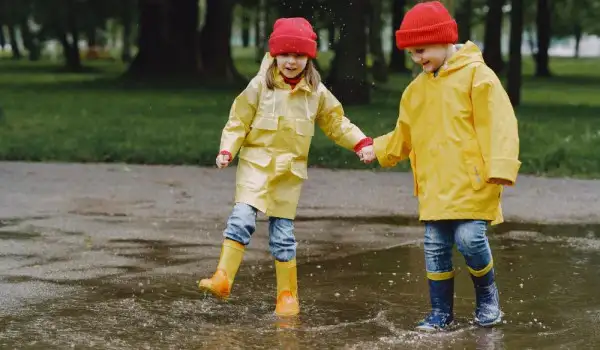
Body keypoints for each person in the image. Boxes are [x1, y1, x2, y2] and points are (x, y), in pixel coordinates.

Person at [198, 17, 375, 317]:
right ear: (274, 54)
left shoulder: (316, 93)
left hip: (288, 174)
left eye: (299, 55)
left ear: (309, 58)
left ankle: (287, 296)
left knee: (282, 236)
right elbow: (238, 120)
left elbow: (336, 123)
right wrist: (228, 149)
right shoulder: (260, 86)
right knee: (241, 219)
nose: (291, 61)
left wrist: (360, 142)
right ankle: (223, 277)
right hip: (256, 165)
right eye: (285, 54)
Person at [364, 1, 521, 331]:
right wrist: (377, 149)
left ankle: (487, 296)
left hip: (474, 181)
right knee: (435, 247)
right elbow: (404, 134)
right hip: (435, 186)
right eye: (411, 53)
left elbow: (499, 123)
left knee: (470, 239)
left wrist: (501, 165)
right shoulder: (415, 91)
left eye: (422, 49)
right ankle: (440, 312)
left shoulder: (478, 77)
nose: (418, 58)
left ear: (445, 40)